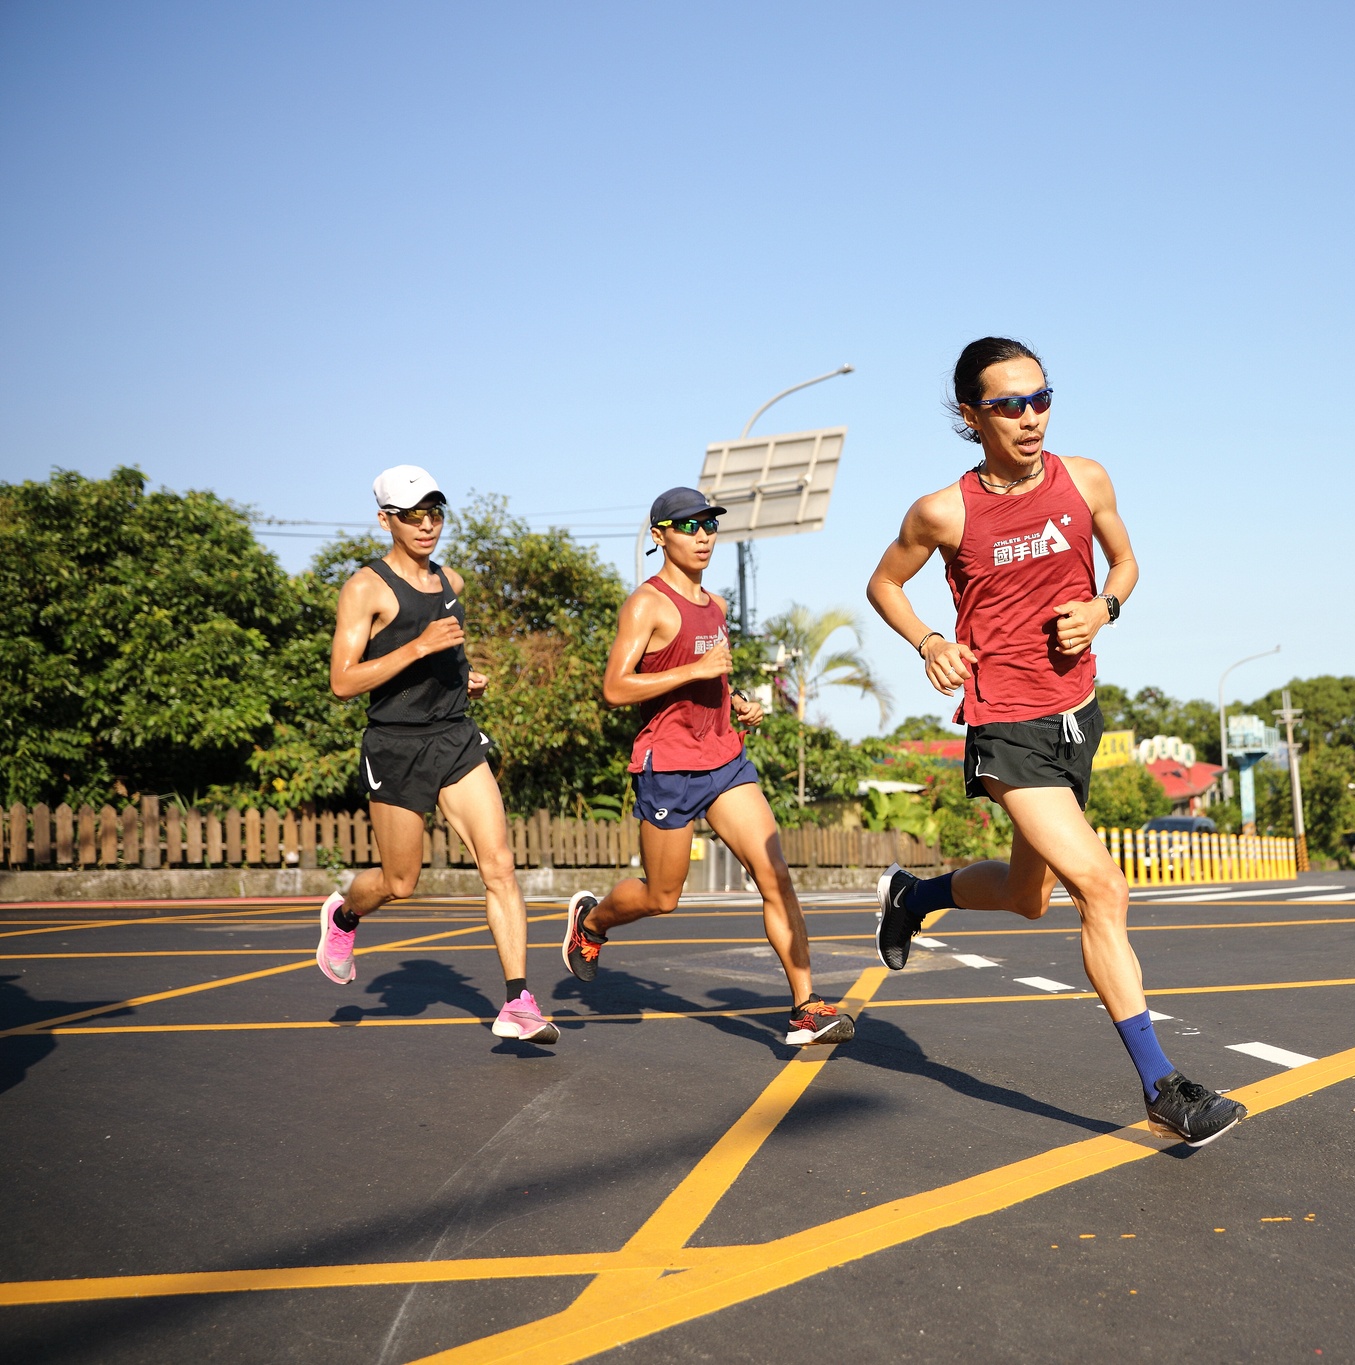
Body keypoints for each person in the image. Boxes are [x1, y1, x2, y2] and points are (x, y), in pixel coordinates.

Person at [864, 337, 1246, 1146]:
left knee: (1027, 896)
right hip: (1004, 725)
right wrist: (930, 641)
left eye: (1041, 398)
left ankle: (912, 898)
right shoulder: (944, 511)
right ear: (973, 416)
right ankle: (1162, 1086)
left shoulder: (1087, 478)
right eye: (1009, 405)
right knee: (1103, 888)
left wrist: (1104, 608)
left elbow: (1126, 562)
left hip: (1075, 716)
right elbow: (884, 583)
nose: (1031, 417)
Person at [557, 487, 852, 1048]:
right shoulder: (646, 604)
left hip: (724, 759)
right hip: (668, 766)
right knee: (662, 897)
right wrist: (694, 671)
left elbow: (711, 673)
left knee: (775, 877)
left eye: (710, 525)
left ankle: (806, 1008)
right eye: (689, 526)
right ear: (659, 535)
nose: (703, 537)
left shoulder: (715, 604)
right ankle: (591, 923)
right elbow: (616, 687)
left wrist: (736, 699)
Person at [318, 465, 559, 1045]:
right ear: (386, 521)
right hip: (395, 746)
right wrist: (419, 647)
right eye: (412, 516)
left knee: (499, 864)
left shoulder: (450, 580)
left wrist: (461, 677)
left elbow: (443, 658)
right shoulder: (365, 588)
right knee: (400, 882)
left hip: (455, 737)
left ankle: (518, 1002)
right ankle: (344, 915)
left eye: (435, 513)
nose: (427, 525)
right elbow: (343, 682)